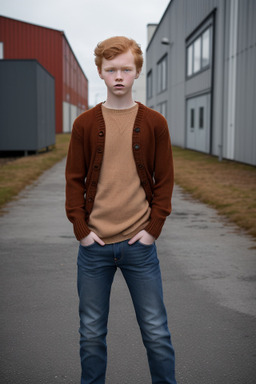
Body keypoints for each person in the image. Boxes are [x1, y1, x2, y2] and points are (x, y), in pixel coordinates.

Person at [65, 36, 177, 384]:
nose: (118, 76)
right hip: (94, 249)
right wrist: (82, 231)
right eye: (111, 69)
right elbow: (73, 179)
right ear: (100, 72)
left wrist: (153, 228)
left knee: (157, 333)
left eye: (126, 69)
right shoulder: (84, 124)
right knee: (92, 335)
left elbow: (165, 180)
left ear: (137, 72)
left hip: (138, 247)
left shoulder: (154, 122)